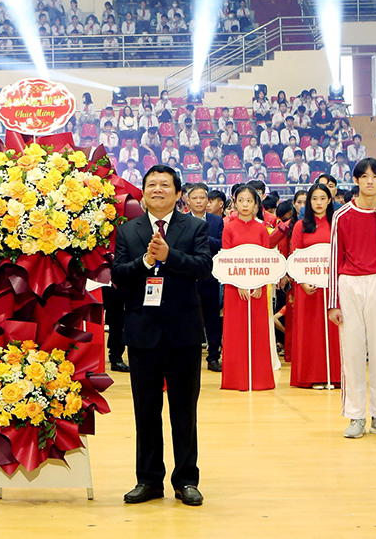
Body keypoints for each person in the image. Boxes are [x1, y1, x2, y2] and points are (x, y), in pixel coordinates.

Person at [112, 165, 212, 507]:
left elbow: (203, 268)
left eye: (165, 184)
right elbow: (119, 275)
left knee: (184, 412)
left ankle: (186, 480)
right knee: (146, 411)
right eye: (151, 184)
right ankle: (149, 480)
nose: (158, 189)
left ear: (177, 192)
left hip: (182, 333)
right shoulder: (127, 231)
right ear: (142, 193)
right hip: (143, 334)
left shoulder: (195, 227)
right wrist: (145, 261)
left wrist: (170, 257)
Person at [327, 157, 376, 439]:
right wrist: (333, 302)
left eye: (375, 176)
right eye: (364, 176)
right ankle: (356, 416)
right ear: (356, 180)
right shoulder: (341, 215)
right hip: (349, 285)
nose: (370, 180)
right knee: (352, 351)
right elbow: (334, 260)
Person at [221, 185, 275, 391]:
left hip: (257, 289)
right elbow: (226, 259)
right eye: (241, 200)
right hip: (235, 289)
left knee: (258, 333)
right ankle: (236, 379)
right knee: (236, 332)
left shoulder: (262, 229)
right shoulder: (229, 228)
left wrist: (260, 284)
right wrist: (238, 283)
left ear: (256, 205)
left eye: (249, 201)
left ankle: (260, 379)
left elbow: (266, 260)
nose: (245, 205)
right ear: (235, 203)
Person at [289, 184, 340, 389]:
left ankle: (334, 375)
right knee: (310, 332)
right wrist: (302, 282)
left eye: (322, 198)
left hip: (333, 288)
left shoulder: (338, 224)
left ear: (329, 201)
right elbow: (295, 256)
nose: (318, 203)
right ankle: (312, 376)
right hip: (308, 288)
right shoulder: (301, 226)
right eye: (314, 199)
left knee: (334, 330)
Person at [188, 184, 224, 372]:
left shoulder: (217, 221)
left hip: (210, 276)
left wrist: (201, 237)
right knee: (188, 317)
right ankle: (188, 355)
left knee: (212, 317)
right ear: (188, 201)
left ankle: (213, 356)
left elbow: (221, 244)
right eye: (195, 198)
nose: (199, 201)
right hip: (188, 276)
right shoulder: (182, 220)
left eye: (203, 198)